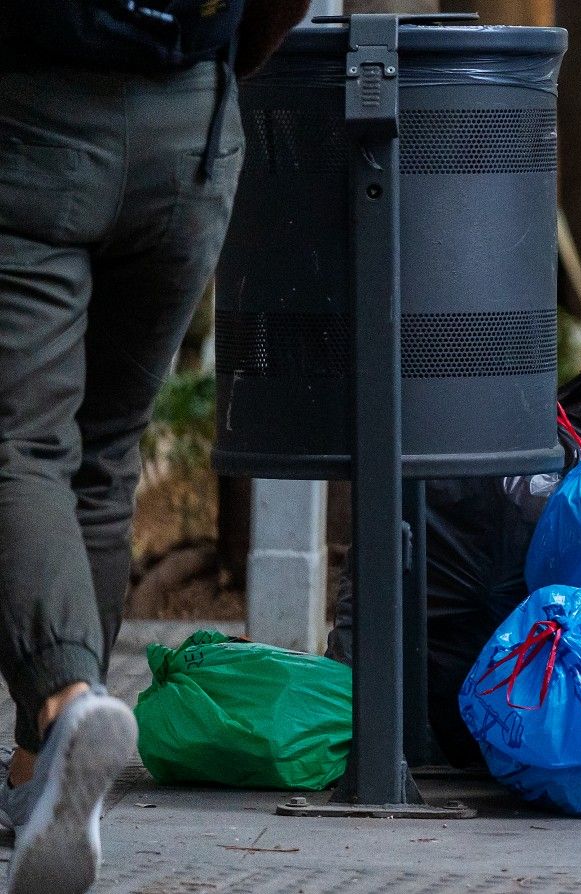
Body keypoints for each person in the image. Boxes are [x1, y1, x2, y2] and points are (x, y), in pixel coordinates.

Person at [0, 3, 306, 890]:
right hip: (190, 131)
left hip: (32, 119)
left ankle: (63, 705)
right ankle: (38, 774)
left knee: (19, 444)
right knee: (103, 451)